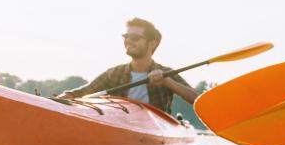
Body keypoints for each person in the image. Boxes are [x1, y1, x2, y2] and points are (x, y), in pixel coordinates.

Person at [60, 17, 197, 113]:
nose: (128, 41)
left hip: (156, 129)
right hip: (122, 124)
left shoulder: (166, 73)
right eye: (126, 37)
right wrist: (53, 101)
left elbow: (197, 100)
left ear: (152, 43)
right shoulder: (114, 73)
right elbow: (82, 93)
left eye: (134, 38)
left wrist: (168, 82)